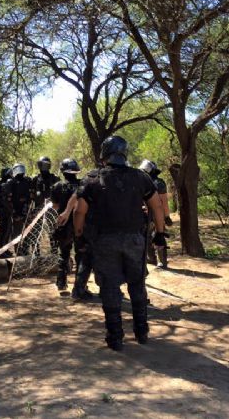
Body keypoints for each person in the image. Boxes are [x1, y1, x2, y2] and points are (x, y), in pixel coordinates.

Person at [72, 136, 167, 351]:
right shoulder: (141, 178)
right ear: (125, 153)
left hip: (105, 241)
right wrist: (160, 233)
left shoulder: (92, 179)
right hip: (134, 240)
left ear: (105, 154)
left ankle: (115, 336)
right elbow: (157, 207)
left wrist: (79, 236)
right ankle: (142, 332)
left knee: (110, 287)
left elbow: (80, 212)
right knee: (137, 284)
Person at [50, 158, 94, 298]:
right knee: (81, 254)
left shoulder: (57, 186)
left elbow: (55, 206)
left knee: (63, 254)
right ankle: (80, 285)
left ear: (63, 171)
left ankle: (61, 282)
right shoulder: (84, 185)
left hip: (63, 224)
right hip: (81, 224)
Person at [138, 159, 172, 269]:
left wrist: (166, 216)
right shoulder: (143, 182)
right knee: (150, 236)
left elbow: (164, 201)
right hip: (147, 215)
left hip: (154, 214)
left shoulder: (157, 183)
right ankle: (153, 259)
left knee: (155, 235)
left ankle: (159, 261)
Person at [2, 163, 34, 255]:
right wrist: (13, 212)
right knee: (17, 233)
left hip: (25, 210)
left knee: (28, 231)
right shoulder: (11, 182)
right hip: (16, 211)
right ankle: (18, 250)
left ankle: (25, 249)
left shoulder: (27, 181)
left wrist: (28, 205)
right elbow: (7, 199)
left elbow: (31, 195)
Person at [0, 167, 13, 257]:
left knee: (7, 231)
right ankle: (0, 252)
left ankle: (4, 249)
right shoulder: (2, 184)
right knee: (3, 232)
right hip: (4, 211)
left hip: (5, 210)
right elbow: (3, 200)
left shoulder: (1, 183)